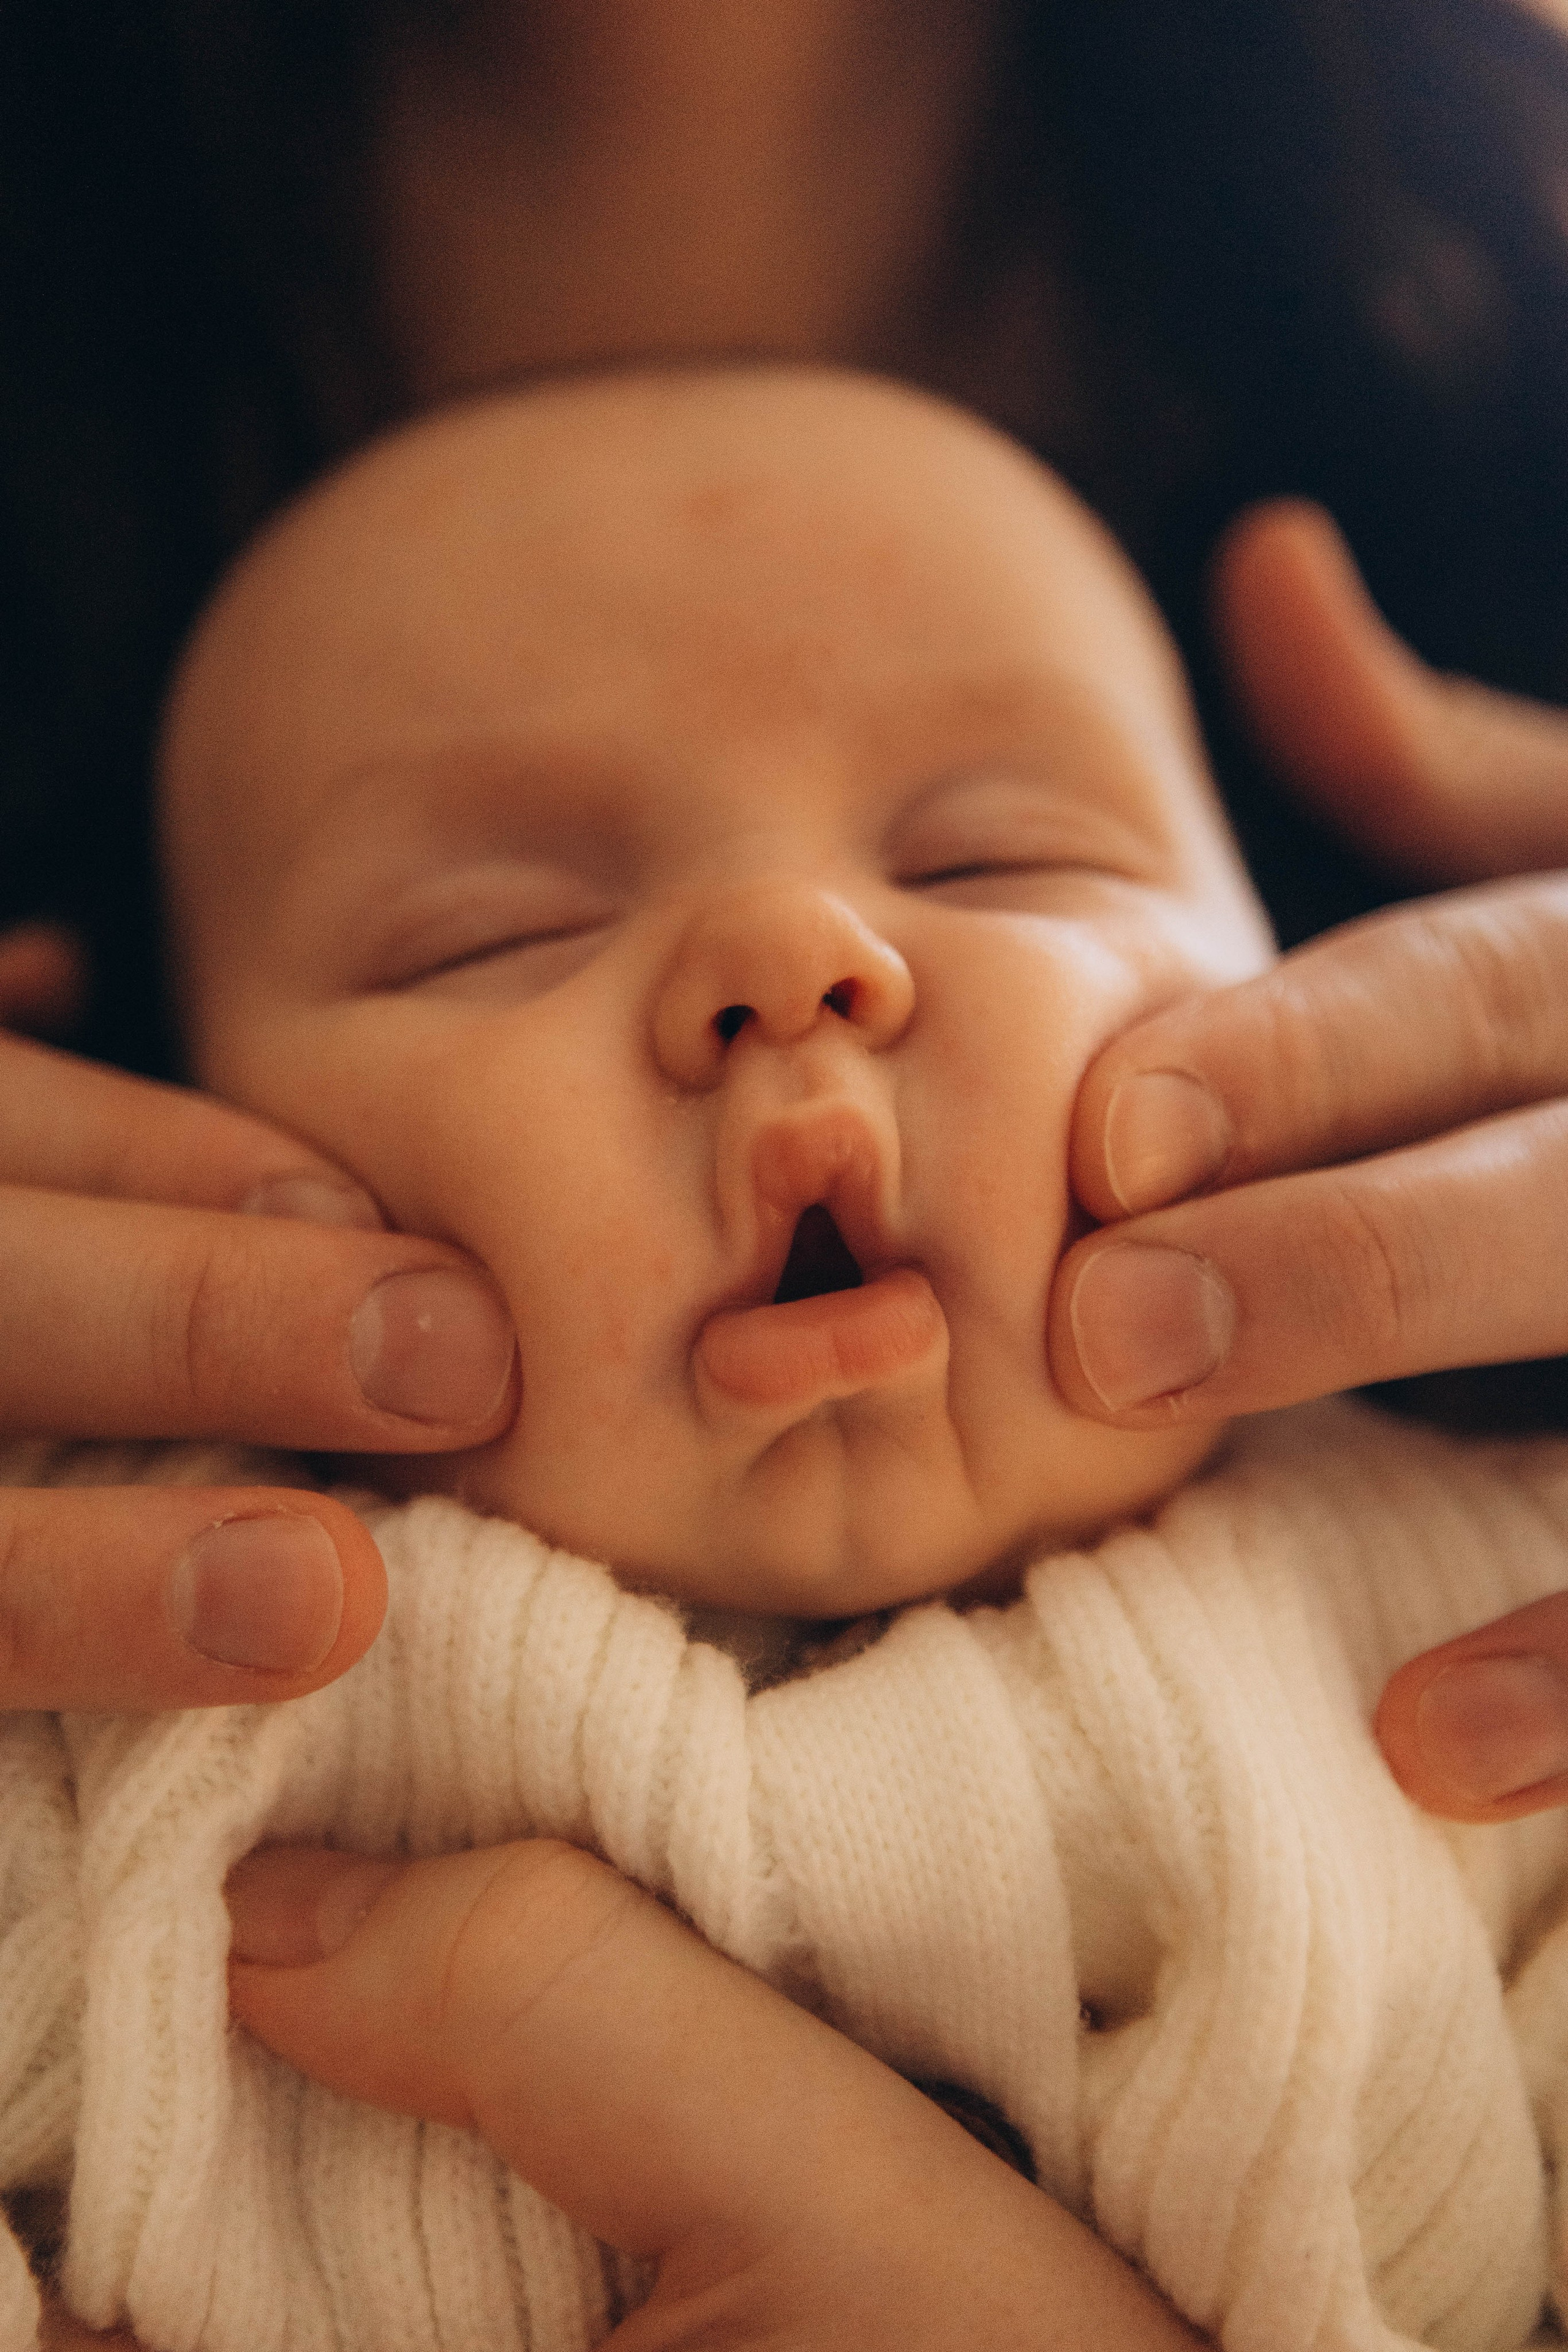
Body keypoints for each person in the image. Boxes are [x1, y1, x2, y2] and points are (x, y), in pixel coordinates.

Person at [8, 2, 1568, 2339]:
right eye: (493, 932)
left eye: (1003, 851)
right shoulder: (136, 1680)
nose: (792, 952)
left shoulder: (1473, 1630)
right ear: (186, 1161)